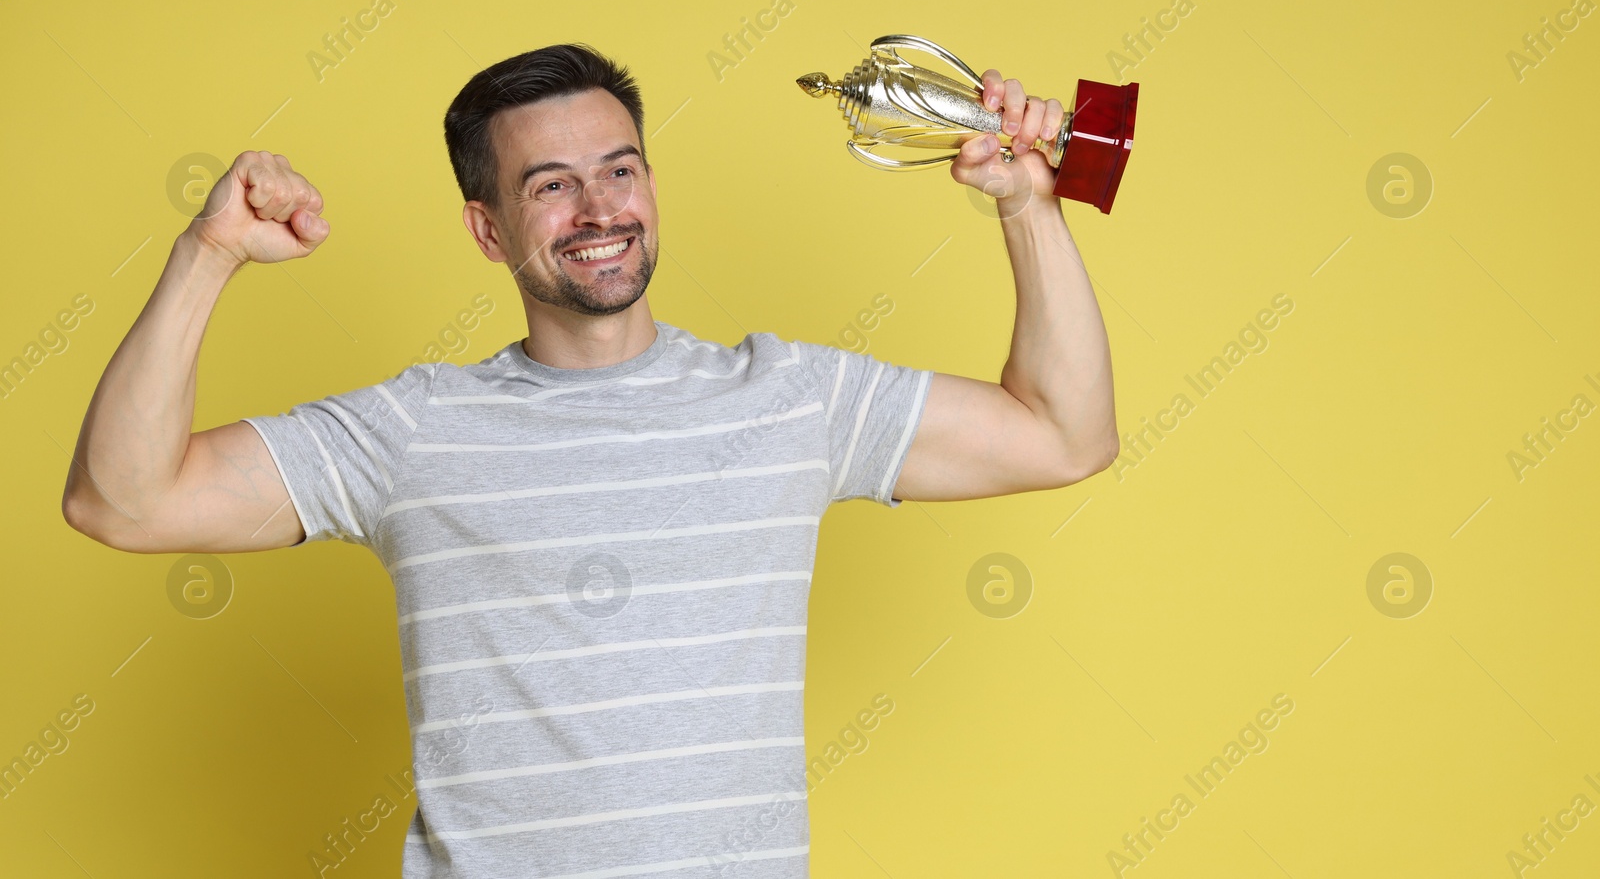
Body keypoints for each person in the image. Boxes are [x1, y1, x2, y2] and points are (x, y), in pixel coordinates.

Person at [61, 42, 1118, 878]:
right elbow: (123, 500)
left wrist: (1028, 205)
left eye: (619, 171)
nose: (599, 210)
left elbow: (1065, 432)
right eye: (551, 186)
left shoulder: (792, 399)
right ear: (486, 228)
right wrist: (207, 257)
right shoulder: (412, 430)